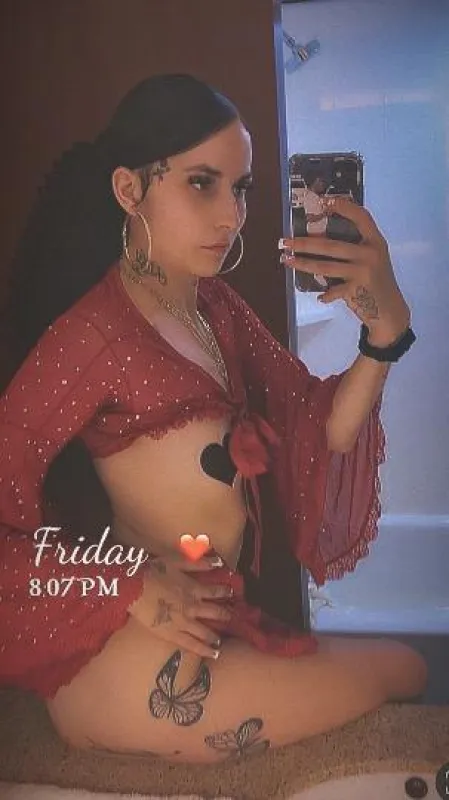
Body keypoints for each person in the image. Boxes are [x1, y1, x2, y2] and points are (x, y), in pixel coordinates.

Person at [0, 73, 426, 764]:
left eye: (241, 187)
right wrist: (131, 588)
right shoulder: (93, 338)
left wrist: (385, 332)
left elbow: (321, 428)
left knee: (404, 669)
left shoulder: (214, 308)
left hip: (209, 629)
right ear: (128, 189)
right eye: (202, 183)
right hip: (129, 661)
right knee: (402, 671)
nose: (232, 215)